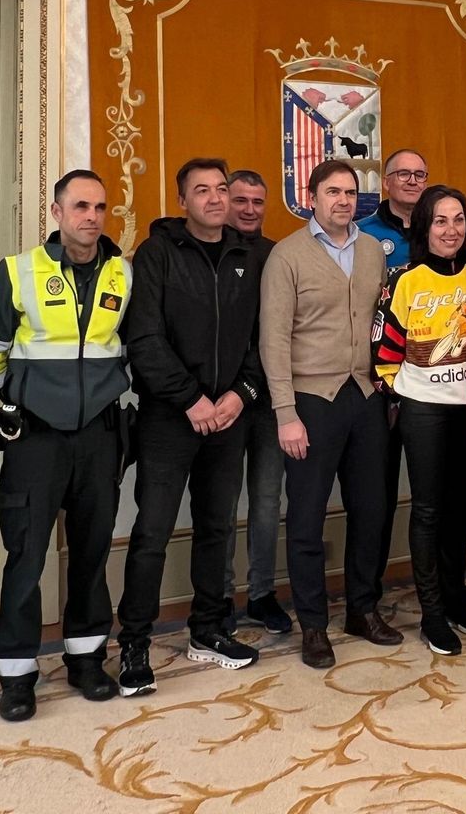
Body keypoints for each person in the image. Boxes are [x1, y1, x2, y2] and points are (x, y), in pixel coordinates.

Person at [0, 169, 131, 720]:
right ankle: (17, 674)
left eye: (101, 207)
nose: (92, 216)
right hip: (35, 435)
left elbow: (130, 346)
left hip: (99, 432)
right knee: (26, 555)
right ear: (57, 212)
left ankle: (87, 658)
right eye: (81, 206)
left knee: (91, 551)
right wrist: (13, 401)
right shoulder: (18, 270)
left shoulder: (122, 272)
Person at [116, 158, 263, 698]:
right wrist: (192, 400)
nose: (216, 198)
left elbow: (260, 341)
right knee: (152, 532)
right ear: (183, 201)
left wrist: (236, 396)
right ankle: (134, 643)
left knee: (217, 528)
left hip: (228, 415)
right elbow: (145, 340)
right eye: (202, 190)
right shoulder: (156, 254)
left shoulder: (250, 255)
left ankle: (208, 630)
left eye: (222, 188)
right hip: (169, 419)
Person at [262, 159, 398, 669]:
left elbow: (384, 325)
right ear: (311, 197)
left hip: (365, 395)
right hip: (310, 402)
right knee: (306, 518)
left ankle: (363, 609)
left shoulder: (370, 251)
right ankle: (314, 625)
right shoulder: (287, 256)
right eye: (333, 192)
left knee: (371, 510)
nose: (343, 200)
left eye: (350, 192)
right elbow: (272, 339)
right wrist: (284, 413)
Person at [372, 185, 466, 655]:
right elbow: (383, 351)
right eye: (440, 221)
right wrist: (399, 393)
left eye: (459, 220)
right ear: (424, 227)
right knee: (428, 509)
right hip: (423, 411)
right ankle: (433, 613)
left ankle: (458, 599)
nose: (451, 230)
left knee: (461, 508)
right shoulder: (404, 278)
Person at [357, 149, 428, 618]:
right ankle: (368, 596)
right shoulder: (364, 237)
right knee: (376, 497)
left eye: (419, 175)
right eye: (403, 173)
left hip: (430, 386)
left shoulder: (438, 230)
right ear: (385, 182)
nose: (411, 181)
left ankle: (436, 593)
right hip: (377, 386)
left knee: (430, 497)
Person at [220, 168, 290, 635]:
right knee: (221, 505)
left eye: (257, 202)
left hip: (269, 401)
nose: (248, 209)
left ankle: (261, 593)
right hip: (222, 402)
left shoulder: (279, 256)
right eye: (240, 200)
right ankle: (219, 597)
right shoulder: (209, 253)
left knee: (267, 501)